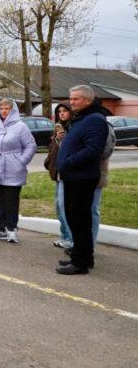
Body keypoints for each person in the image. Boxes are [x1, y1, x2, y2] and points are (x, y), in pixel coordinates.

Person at [56, 85, 109, 275]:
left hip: (82, 177)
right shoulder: (82, 118)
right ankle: (81, 256)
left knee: (80, 220)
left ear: (87, 100)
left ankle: (81, 263)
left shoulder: (95, 119)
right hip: (73, 177)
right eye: (71, 99)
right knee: (75, 219)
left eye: (75, 99)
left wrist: (68, 162)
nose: (71, 102)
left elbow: (93, 150)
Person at [0, 98, 37, 244]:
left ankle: (12, 229)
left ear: (13, 111)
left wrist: (21, 161)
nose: (4, 111)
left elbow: (31, 146)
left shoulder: (21, 127)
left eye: (7, 108)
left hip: (13, 168)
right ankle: (0, 228)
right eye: (1, 108)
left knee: (11, 200)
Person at [45, 102, 73, 248]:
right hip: (57, 173)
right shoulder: (58, 130)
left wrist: (62, 139)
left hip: (67, 174)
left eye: (65, 111)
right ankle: (64, 235)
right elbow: (53, 150)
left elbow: (68, 151)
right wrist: (48, 162)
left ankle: (71, 238)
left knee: (65, 206)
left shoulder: (72, 129)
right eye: (59, 111)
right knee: (58, 207)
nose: (61, 114)